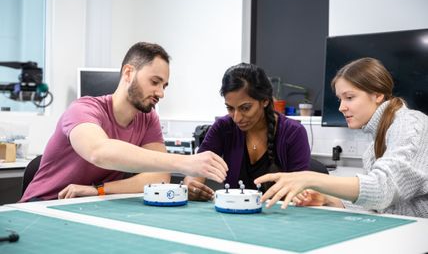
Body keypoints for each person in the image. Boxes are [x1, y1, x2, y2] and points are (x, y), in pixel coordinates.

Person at [20, 42, 227, 202]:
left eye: (164, 85)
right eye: (155, 82)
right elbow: (99, 152)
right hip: (43, 204)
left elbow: (159, 177)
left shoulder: (147, 118)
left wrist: (98, 190)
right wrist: (186, 163)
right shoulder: (83, 109)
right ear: (128, 73)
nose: (161, 93)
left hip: (86, 206)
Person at [255, 57, 428, 218]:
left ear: (377, 95)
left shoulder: (410, 124)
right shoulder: (374, 146)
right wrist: (328, 199)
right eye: (340, 99)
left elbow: (382, 189)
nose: (341, 107)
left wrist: (310, 178)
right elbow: (378, 204)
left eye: (349, 97)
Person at [185, 63, 311, 200]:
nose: (237, 118)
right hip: (233, 215)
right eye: (230, 108)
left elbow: (301, 189)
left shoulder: (293, 133)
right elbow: (194, 172)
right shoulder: (223, 127)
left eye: (245, 108)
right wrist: (191, 186)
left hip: (281, 218)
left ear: (265, 101)